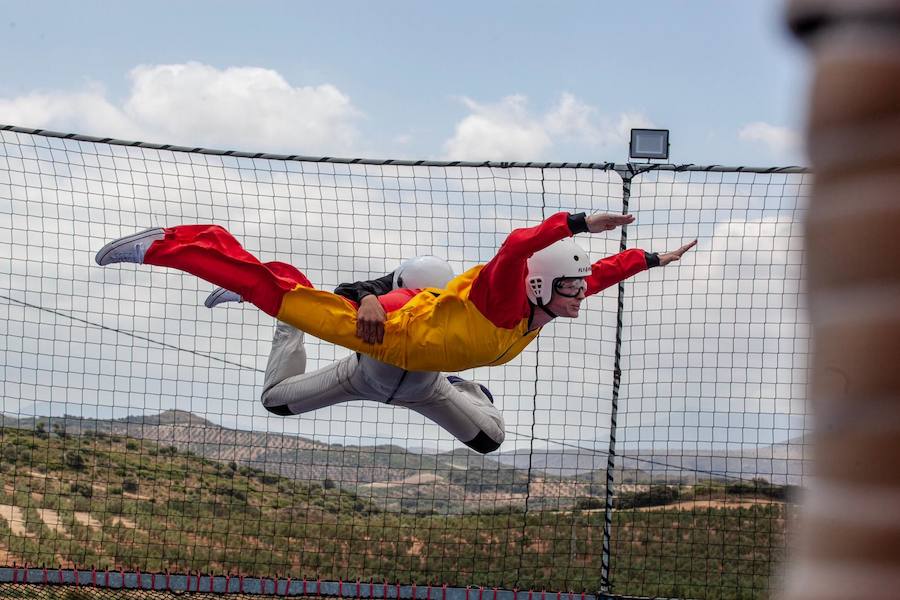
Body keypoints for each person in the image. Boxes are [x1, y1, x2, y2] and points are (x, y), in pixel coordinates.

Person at [94, 211, 695, 374]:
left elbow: (600, 275)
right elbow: (516, 246)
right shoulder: (506, 299)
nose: (580, 296)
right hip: (388, 339)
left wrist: (648, 258)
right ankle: (165, 245)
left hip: (418, 351)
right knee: (277, 296)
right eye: (570, 288)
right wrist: (577, 223)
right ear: (541, 285)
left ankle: (248, 275)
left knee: (285, 292)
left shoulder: (538, 306)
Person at [206, 256, 508, 454]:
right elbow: (346, 291)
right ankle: (285, 302)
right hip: (359, 376)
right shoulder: (385, 287)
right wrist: (367, 299)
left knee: (489, 440)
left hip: (427, 388)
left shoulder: (454, 304)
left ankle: (468, 390)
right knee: (276, 401)